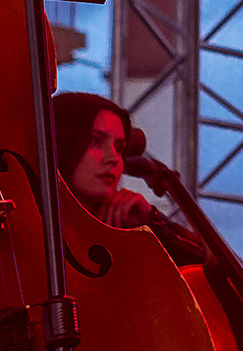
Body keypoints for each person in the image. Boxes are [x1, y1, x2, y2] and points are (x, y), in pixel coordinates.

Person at [53, 90, 206, 265]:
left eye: (119, 148)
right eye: (95, 141)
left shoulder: (127, 238)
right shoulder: (28, 231)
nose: (113, 158)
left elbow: (209, 269)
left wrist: (154, 223)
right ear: (62, 143)